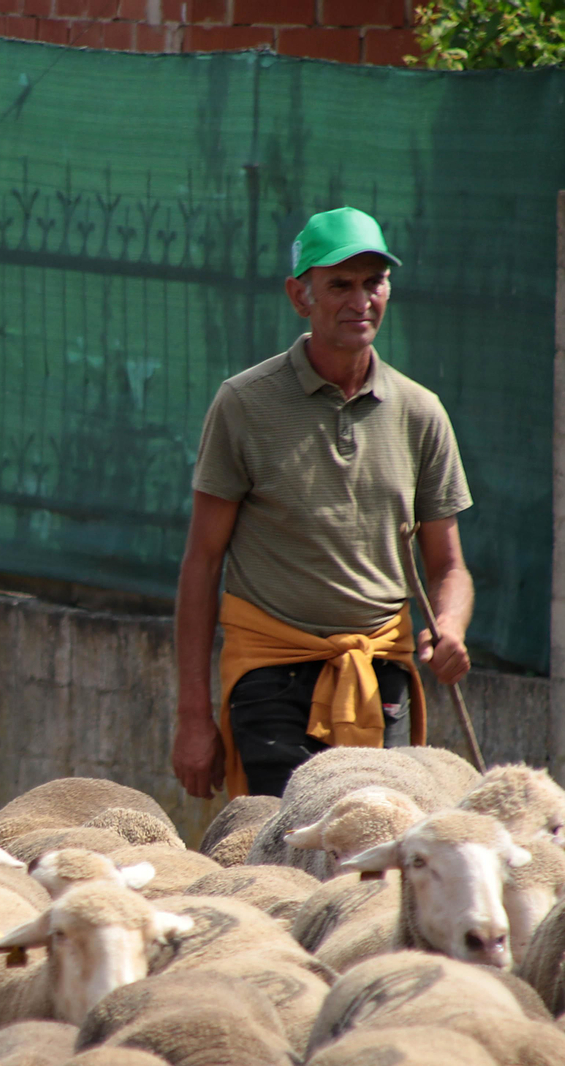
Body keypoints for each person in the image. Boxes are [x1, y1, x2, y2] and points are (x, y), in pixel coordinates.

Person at [172, 207, 473, 801]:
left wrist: (451, 626)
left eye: (373, 283)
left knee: (376, 862)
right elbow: (201, 564)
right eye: (340, 284)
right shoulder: (244, 404)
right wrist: (192, 718)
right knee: (281, 863)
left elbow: (449, 567)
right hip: (269, 681)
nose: (360, 300)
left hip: (380, 677)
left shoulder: (421, 413)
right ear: (299, 295)